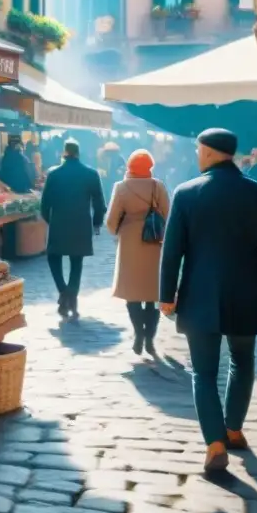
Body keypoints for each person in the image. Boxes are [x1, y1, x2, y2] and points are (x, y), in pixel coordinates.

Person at [159, 128, 257, 473]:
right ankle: (233, 429)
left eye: (199, 149)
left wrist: (166, 296)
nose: (197, 155)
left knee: (203, 372)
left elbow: (172, 253)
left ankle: (215, 443)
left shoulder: (186, 192)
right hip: (246, 292)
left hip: (199, 294)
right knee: (242, 362)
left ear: (210, 152)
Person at [105, 149, 170, 358]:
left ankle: (139, 333)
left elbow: (111, 220)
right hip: (154, 241)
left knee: (132, 294)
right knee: (152, 295)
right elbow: (168, 213)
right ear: (149, 166)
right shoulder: (157, 186)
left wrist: (117, 231)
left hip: (130, 242)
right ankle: (150, 337)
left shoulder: (121, 187)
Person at [40, 139, 106, 320]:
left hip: (59, 222)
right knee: (77, 262)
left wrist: (50, 220)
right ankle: (71, 296)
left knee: (53, 257)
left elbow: (44, 204)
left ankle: (63, 292)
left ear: (64, 153)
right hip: (81, 224)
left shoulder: (54, 174)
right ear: (78, 153)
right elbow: (99, 203)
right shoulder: (91, 174)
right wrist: (97, 223)